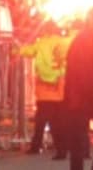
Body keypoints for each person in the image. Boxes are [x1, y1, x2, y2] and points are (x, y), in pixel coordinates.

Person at [64, 4, 93, 170]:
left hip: (83, 97)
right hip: (86, 97)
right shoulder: (87, 40)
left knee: (83, 136)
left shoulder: (90, 38)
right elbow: (88, 68)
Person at [18, 20, 71, 157]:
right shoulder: (65, 43)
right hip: (60, 86)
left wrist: (16, 49)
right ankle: (62, 148)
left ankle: (37, 146)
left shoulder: (42, 43)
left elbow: (27, 51)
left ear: (46, 30)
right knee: (59, 120)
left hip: (45, 88)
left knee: (41, 120)